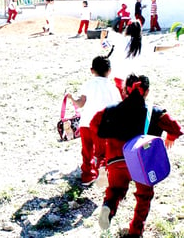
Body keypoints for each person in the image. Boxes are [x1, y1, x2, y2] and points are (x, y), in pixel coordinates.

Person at [90, 74, 183, 237]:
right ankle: (135, 230)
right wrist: (170, 137)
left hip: (116, 161)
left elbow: (94, 124)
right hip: (142, 163)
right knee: (144, 196)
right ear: (146, 92)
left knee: (115, 189)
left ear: (125, 90)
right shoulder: (154, 112)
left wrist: (103, 150)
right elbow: (176, 128)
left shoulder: (110, 110)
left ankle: (109, 207)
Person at [67, 54, 121, 186]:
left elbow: (80, 103)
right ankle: (102, 171)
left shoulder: (88, 84)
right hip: (102, 126)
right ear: (109, 71)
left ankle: (87, 176)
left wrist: (72, 98)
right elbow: (118, 107)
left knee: (87, 151)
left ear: (92, 70)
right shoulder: (113, 88)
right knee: (101, 152)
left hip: (85, 124)